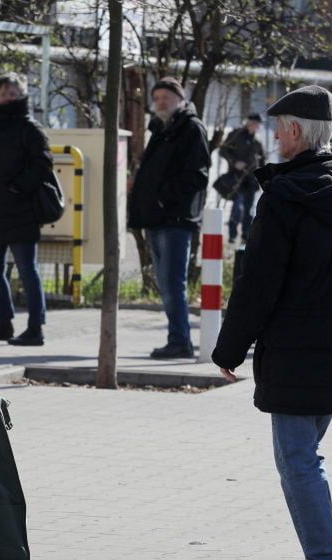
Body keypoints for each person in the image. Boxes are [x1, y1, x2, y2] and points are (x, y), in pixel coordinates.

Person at [212, 85, 332, 560]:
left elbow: (259, 282)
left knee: (296, 459)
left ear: (294, 131)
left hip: (295, 353)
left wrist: (229, 349)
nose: (274, 136)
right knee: (303, 454)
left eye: (279, 127)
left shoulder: (284, 197)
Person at [0, 72, 54, 347]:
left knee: (28, 270)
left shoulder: (31, 129)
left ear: (22, 96)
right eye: (4, 93)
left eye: (14, 93)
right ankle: (4, 323)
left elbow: (42, 165)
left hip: (21, 212)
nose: (8, 98)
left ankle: (35, 327)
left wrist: (18, 188)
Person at [128, 77, 211, 360]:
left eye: (167, 96)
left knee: (171, 280)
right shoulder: (162, 129)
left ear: (180, 98)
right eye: (158, 97)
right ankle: (177, 338)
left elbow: (197, 174)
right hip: (158, 217)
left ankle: (180, 341)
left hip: (176, 217)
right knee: (165, 282)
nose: (162, 101)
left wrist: (165, 197)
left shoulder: (190, 128)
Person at [219, 112, 265, 243]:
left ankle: (246, 235)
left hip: (251, 180)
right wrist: (234, 162)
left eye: (258, 124)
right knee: (237, 207)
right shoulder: (236, 134)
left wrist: (264, 179)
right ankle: (232, 236)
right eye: (254, 123)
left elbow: (262, 161)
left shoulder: (257, 140)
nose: (256, 126)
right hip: (236, 178)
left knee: (249, 209)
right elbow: (223, 150)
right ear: (248, 122)